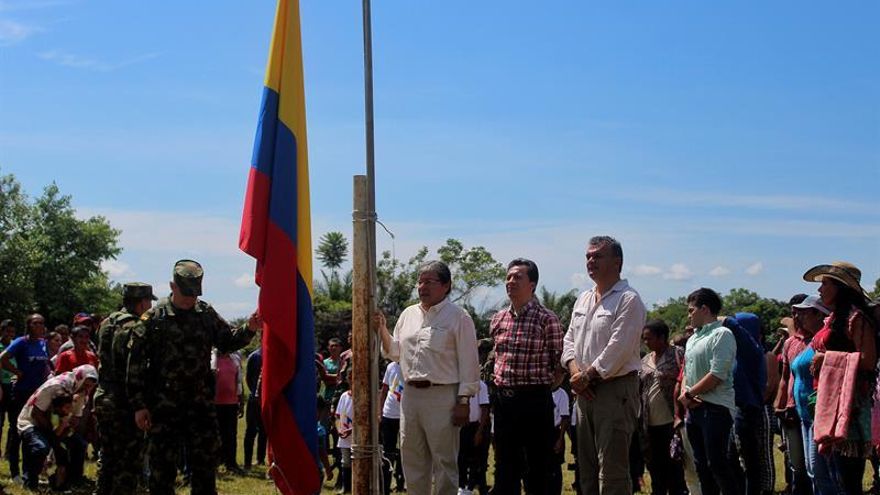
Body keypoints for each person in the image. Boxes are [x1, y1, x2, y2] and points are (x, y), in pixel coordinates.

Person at [126, 259, 260, 495]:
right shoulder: (154, 319)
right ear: (172, 286)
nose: (190, 299)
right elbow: (135, 365)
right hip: (164, 407)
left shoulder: (206, 314)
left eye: (194, 294)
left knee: (205, 469)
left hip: (200, 406)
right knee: (162, 472)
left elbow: (227, 342)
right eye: (186, 293)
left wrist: (249, 328)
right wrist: (139, 406)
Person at [374, 260, 480, 495]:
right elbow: (395, 352)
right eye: (420, 281)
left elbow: (470, 363)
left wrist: (464, 400)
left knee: (444, 461)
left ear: (446, 286)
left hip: (443, 396)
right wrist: (382, 330)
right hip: (410, 396)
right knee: (412, 458)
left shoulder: (459, 317)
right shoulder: (408, 314)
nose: (422, 286)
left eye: (429, 281)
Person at [561, 236, 646, 495]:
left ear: (617, 262)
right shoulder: (583, 299)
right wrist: (576, 374)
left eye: (598, 256)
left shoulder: (629, 299)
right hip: (583, 392)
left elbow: (618, 348)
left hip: (615, 390)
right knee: (585, 467)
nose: (590, 261)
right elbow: (569, 341)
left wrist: (587, 377)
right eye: (588, 256)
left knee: (612, 471)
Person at [490, 258, 564, 495]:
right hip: (503, 403)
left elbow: (559, 365)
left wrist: (539, 390)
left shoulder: (546, 318)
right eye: (509, 277)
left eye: (518, 277)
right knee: (504, 468)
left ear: (532, 284)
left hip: (535, 402)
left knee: (537, 470)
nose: (511, 281)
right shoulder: (498, 318)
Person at [804, 261, 877, 494]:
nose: (819, 289)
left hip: (850, 405)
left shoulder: (856, 319)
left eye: (825, 283)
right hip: (828, 402)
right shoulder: (834, 319)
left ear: (839, 287)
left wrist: (827, 359)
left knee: (848, 480)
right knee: (833, 476)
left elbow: (867, 360)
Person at [94, 282, 156, 495]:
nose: (149, 306)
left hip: (103, 396)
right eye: (148, 301)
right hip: (124, 401)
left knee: (108, 456)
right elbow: (134, 369)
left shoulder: (106, 323)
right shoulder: (135, 327)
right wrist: (140, 402)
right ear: (141, 303)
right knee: (128, 462)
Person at [679, 288, 738, 495]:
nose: (689, 315)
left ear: (704, 309)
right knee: (701, 465)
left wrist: (689, 394)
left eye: (691, 310)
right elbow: (687, 369)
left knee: (718, 463)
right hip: (694, 410)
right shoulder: (693, 338)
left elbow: (717, 374)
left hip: (716, 408)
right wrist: (687, 394)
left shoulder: (722, 334)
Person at [18, 364, 98, 490]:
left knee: (79, 444)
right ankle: (30, 482)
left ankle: (72, 480)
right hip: (32, 422)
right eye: (86, 384)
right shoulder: (56, 385)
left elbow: (75, 419)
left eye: (90, 386)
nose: (87, 388)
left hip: (59, 427)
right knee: (40, 447)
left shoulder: (82, 393)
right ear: (80, 378)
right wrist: (54, 438)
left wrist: (64, 432)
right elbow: (36, 413)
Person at [786, 295, 835, 494]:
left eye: (805, 312)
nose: (799, 317)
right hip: (805, 414)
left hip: (819, 414)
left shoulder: (827, 339)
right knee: (811, 469)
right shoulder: (813, 341)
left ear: (818, 314)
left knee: (820, 469)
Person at [0, 313, 50, 481]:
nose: (40, 326)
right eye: (36, 323)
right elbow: (3, 358)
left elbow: (46, 365)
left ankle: (30, 472)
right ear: (29, 325)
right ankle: (15, 473)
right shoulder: (21, 342)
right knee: (17, 432)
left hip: (37, 394)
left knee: (34, 432)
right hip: (21, 393)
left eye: (42, 323)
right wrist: (18, 372)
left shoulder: (43, 344)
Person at [639, 319, 687, 495]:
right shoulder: (645, 360)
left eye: (649, 338)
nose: (646, 342)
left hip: (671, 420)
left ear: (662, 337)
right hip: (649, 423)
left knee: (674, 465)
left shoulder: (678, 354)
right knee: (655, 466)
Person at [211, 348, 244, 474]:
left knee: (231, 435)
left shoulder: (235, 359)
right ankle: (216, 462)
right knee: (216, 434)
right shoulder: (211, 359)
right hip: (215, 404)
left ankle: (231, 463)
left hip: (231, 403)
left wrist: (241, 403)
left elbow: (239, 382)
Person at [457, 376, 489, 495]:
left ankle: (471, 487)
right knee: (461, 458)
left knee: (476, 459)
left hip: (475, 426)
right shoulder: (459, 384)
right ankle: (461, 485)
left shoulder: (480, 385)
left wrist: (479, 432)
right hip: (462, 426)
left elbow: (484, 408)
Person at [380, 360, 405, 494]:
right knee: (388, 452)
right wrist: (380, 411)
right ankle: (386, 485)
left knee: (404, 450)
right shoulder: (391, 366)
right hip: (389, 414)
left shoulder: (411, 364)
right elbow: (384, 390)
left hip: (405, 415)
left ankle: (400, 482)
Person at [243, 346, 266, 469]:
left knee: (264, 430)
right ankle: (247, 461)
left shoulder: (272, 354)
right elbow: (248, 377)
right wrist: (254, 392)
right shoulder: (255, 356)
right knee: (251, 430)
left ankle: (260, 459)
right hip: (254, 399)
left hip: (266, 399)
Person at [549, 367, 570, 495]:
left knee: (555, 466)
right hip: (542, 431)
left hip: (555, 433)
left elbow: (564, 418)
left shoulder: (562, 394)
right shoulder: (544, 391)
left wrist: (560, 439)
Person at [0, 319, 17, 455]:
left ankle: (9, 451)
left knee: (13, 421)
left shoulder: (15, 346)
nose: (10, 334)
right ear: (2, 331)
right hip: (1, 386)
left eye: (12, 332)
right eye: (7, 331)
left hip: (13, 386)